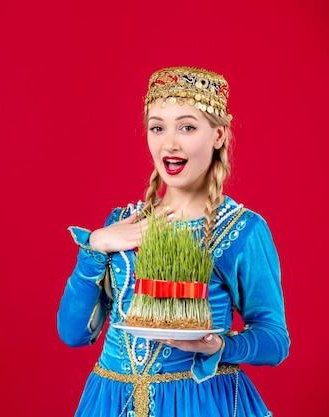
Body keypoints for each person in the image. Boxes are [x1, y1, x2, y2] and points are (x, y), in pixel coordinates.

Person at [57, 66, 290, 417]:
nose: (170, 143)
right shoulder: (122, 223)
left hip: (199, 402)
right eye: (157, 127)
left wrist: (218, 345)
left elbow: (275, 340)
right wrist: (98, 243)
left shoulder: (242, 230)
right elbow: (73, 334)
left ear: (218, 136)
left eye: (187, 127)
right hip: (110, 401)